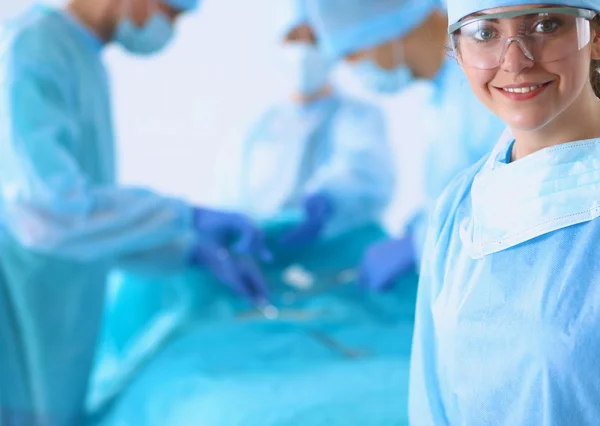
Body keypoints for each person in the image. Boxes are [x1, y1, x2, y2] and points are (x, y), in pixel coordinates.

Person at [0, 0, 271, 424]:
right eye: (171, 11)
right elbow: (47, 216)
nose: (170, 27)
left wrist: (186, 249)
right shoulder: (29, 49)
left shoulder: (79, 58)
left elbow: (90, 223)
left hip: (49, 320)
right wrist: (185, 216)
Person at [409, 0, 600, 423]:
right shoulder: (459, 208)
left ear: (596, 36)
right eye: (484, 33)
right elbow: (432, 399)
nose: (516, 60)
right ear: (458, 52)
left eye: (546, 24)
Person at [306, 0, 506, 290]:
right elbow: (460, 190)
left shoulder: (488, 84)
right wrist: (422, 225)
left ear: (386, 25)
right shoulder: (445, 91)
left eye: (350, 54)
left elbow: (510, 200)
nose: (353, 69)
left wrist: (420, 241)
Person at [219, 0, 395, 270]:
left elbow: (366, 178)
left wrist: (327, 203)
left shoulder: (359, 117)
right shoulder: (253, 127)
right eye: (293, 37)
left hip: (340, 265)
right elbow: (229, 198)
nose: (303, 50)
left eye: (314, 37)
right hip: (266, 264)